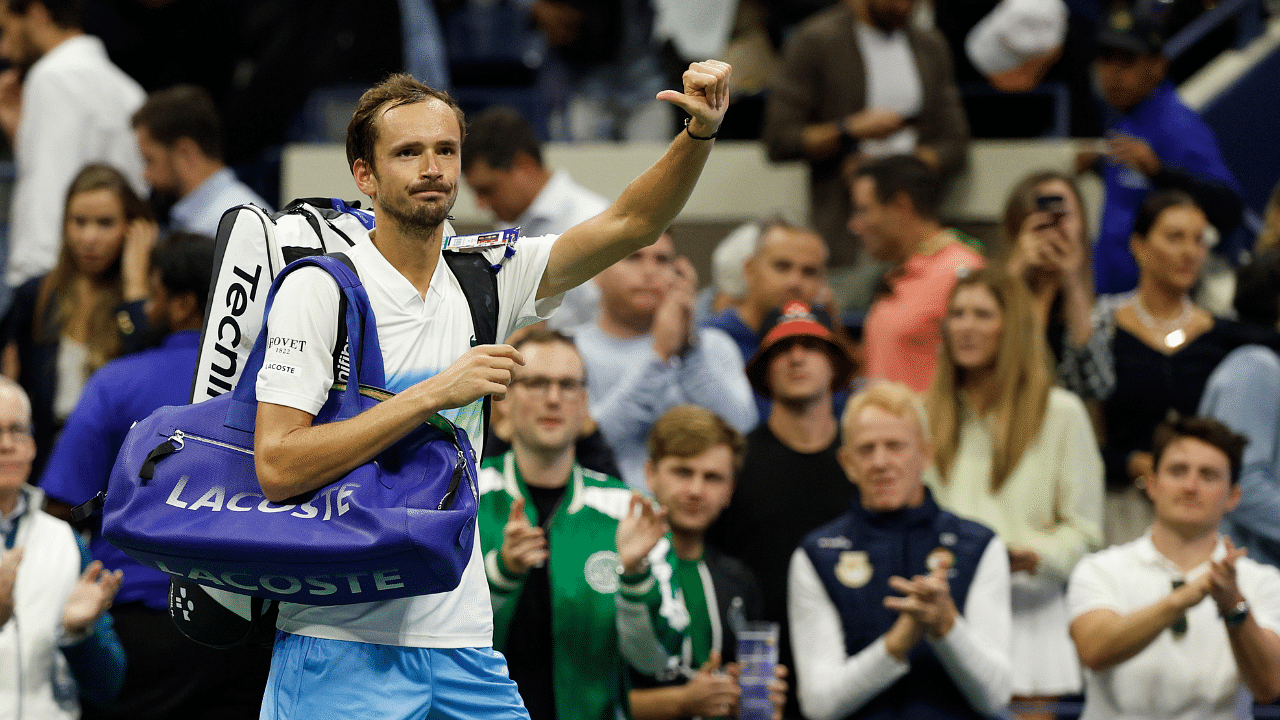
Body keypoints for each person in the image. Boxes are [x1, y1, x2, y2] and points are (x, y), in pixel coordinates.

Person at [251, 59, 734, 719]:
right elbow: (277, 465)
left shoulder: (488, 273)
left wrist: (697, 136)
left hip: (462, 644)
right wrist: (430, 395)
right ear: (364, 174)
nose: (432, 167)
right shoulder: (322, 286)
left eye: (446, 149)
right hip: (338, 638)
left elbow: (630, 225)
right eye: (408, 152)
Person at [38, 233, 272, 720]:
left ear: (185, 303)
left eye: (156, 294)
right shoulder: (273, 387)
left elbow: (61, 505)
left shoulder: (115, 383)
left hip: (140, 631)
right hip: (245, 630)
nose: (147, 307)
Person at [923, 268, 1103, 717]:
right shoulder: (923, 413)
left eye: (982, 314)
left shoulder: (1061, 414)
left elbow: (1087, 534)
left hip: (1029, 622)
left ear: (1014, 326)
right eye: (958, 313)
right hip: (942, 619)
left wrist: (1033, 555)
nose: (966, 326)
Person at [478, 329, 675, 720]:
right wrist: (500, 573)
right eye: (535, 383)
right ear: (504, 401)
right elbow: (436, 644)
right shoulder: (464, 500)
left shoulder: (631, 512)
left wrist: (635, 579)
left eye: (568, 385)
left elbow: (657, 662)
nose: (554, 398)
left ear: (584, 403)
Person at [789, 381, 1013, 720]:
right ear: (847, 463)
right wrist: (895, 645)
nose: (880, 462)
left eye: (895, 446)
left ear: (925, 454)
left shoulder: (978, 546)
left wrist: (946, 628)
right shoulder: (817, 554)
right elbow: (819, 705)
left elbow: (995, 696)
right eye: (866, 450)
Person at [1060, 190, 1271, 545]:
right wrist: (1129, 462)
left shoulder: (1224, 336)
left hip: (1203, 514)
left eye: (1199, 240)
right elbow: (1077, 430)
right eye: (1175, 238)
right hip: (1120, 509)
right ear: (1139, 246)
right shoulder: (1100, 328)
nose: (1190, 252)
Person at [1068, 415, 1280, 719]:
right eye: (1178, 471)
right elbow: (1093, 651)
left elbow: (1270, 686)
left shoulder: (1263, 581)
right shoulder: (1101, 568)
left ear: (1233, 497)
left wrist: (1233, 605)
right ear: (1151, 484)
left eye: (1208, 475)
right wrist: (1183, 598)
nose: (1191, 486)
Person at [762, 0, 969, 305]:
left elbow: (955, 143)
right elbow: (779, 138)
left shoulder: (929, 44)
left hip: (920, 234)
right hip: (845, 235)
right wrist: (847, 130)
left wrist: (899, 169)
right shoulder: (816, 40)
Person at [708, 300, 857, 718]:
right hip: (759, 675)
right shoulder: (733, 465)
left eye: (810, 345)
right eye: (781, 349)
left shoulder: (867, 461)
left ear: (834, 364)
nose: (796, 357)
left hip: (856, 667)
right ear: (763, 371)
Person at [625, 404, 788, 720]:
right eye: (683, 472)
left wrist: (758, 701)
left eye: (712, 477)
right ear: (650, 474)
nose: (696, 491)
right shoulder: (615, 568)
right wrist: (682, 702)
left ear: (730, 491)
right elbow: (581, 697)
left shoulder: (740, 581)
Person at [1, 163, 155, 482]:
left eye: (105, 223)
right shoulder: (38, 295)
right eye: (79, 222)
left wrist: (136, 286)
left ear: (132, 228)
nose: (89, 237)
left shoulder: (148, 302)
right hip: (41, 463)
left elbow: (148, 376)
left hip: (115, 467)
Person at [1078, 4, 1243, 295]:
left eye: (1127, 60)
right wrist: (1099, 166)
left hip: (1161, 307)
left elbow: (1228, 206)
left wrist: (1159, 171)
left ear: (1158, 66)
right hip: (1118, 301)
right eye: (1106, 58)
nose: (1113, 72)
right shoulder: (1127, 117)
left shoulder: (1176, 126)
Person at [576, 230, 757, 490]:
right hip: (605, 512)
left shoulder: (714, 345)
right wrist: (658, 357)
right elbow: (586, 441)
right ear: (596, 271)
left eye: (662, 260)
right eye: (633, 257)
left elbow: (742, 432)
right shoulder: (571, 349)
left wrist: (689, 350)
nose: (650, 271)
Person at [0, 376, 126, 719]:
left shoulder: (63, 540)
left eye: (17, 430)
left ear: (33, 444)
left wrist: (77, 633)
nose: (7, 444)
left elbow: (108, 687)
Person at [0, 0, 145, 289]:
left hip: (53, 282)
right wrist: (20, 132)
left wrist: (32, 286)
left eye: (5, 30)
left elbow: (48, 196)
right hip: (108, 283)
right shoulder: (129, 90)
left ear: (37, 13)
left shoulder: (51, 77)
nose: (4, 48)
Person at [461, 105, 610, 334]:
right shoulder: (507, 224)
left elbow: (611, 322)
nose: (481, 204)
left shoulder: (593, 219)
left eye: (488, 190)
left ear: (524, 166)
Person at [850, 155, 985, 392]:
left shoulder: (963, 273)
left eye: (863, 210)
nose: (854, 225)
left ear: (901, 206)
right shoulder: (894, 275)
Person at [1000, 170, 1111, 398]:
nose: (1054, 227)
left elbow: (1097, 386)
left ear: (1082, 225)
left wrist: (1073, 280)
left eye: (1064, 215)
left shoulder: (1101, 309)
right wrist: (1016, 270)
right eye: (1043, 215)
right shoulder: (998, 285)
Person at [131, 84, 271, 237]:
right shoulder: (215, 218)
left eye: (149, 160)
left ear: (185, 153)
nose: (145, 175)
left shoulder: (229, 226)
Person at [702, 217, 829, 366]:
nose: (795, 282)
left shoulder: (825, 345)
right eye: (782, 267)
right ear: (750, 270)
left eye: (809, 272)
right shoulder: (709, 343)